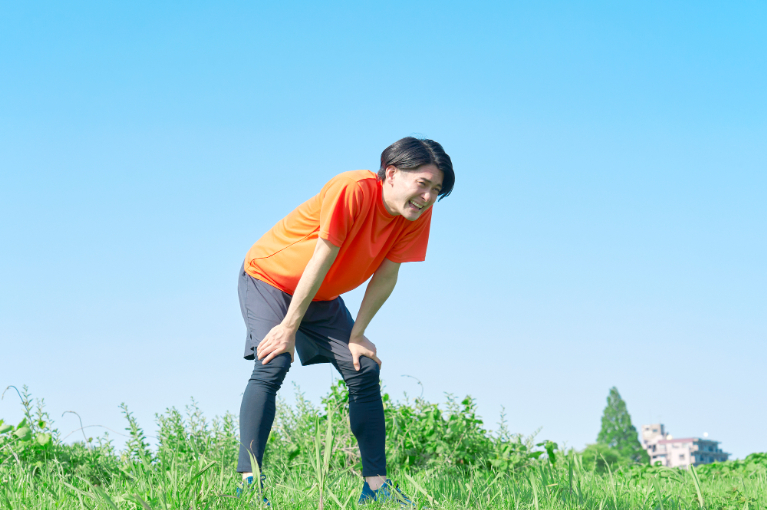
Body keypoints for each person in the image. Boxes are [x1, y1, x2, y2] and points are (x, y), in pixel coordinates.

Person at [236, 136, 454, 505]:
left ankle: (376, 487)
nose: (428, 197)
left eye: (436, 190)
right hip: (269, 278)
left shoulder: (414, 213)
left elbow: (387, 274)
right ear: (392, 173)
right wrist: (288, 327)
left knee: (363, 368)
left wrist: (359, 333)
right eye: (423, 184)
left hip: (320, 293)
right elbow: (321, 256)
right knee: (274, 359)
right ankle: (248, 484)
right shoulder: (352, 188)